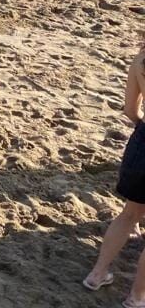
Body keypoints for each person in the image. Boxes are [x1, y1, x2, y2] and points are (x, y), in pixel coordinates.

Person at [83, 32, 145, 305]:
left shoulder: (141, 60)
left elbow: (130, 110)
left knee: (129, 214)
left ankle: (97, 273)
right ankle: (137, 296)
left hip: (142, 144)